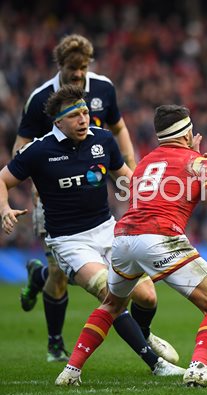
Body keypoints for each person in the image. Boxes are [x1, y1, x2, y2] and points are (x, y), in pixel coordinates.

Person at [54, 104, 207, 387]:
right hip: (160, 237)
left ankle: (71, 370)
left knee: (111, 304)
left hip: (123, 237)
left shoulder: (145, 163)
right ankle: (199, 366)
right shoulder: (199, 163)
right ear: (188, 133)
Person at [1, 85, 183, 378]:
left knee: (148, 297)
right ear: (58, 122)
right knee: (110, 294)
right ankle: (156, 364)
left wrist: (150, 194)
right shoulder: (38, 150)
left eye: (86, 112)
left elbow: (124, 176)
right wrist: (5, 209)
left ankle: (143, 334)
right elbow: (3, 180)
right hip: (70, 241)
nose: (84, 119)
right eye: (75, 115)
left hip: (107, 230)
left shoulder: (102, 139)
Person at [12, 34, 154, 363]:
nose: (79, 74)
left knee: (80, 270)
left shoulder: (103, 88)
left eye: (84, 68)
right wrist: (37, 179)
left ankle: (38, 278)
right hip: (53, 195)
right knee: (61, 272)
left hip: (91, 181)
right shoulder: (40, 99)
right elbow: (21, 146)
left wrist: (130, 166)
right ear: (59, 66)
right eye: (72, 69)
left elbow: (118, 127)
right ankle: (55, 343)